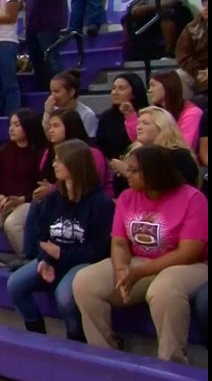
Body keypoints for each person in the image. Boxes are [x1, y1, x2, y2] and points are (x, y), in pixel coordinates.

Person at [72, 145, 208, 363]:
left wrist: (138, 272)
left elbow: (188, 253)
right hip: (139, 262)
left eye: (134, 170)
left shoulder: (193, 198)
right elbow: (118, 243)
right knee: (85, 281)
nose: (127, 174)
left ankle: (172, 362)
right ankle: (105, 354)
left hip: (188, 266)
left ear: (154, 172)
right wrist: (122, 270)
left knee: (164, 290)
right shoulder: (127, 197)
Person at [8, 139, 113, 339]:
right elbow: (43, 235)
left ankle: (75, 338)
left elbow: (99, 249)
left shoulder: (101, 203)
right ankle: (37, 336)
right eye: (54, 159)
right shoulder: (53, 198)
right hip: (54, 258)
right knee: (15, 285)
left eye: (59, 160)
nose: (54, 164)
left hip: (84, 264)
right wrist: (46, 259)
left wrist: (62, 254)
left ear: (75, 164)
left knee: (64, 296)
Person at [0, 109, 48, 256]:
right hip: (4, 201)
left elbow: (42, 186)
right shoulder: (3, 152)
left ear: (28, 126)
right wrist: (1, 198)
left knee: (12, 224)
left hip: (29, 201)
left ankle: (28, 258)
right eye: (10, 124)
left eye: (17, 125)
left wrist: (21, 200)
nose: (11, 129)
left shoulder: (42, 153)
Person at [95, 73, 149, 162]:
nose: (115, 92)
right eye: (113, 88)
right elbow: (100, 147)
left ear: (134, 92)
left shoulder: (147, 114)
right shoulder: (106, 116)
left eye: (121, 88)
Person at [149, 71, 203, 149]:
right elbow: (140, 139)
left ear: (168, 85)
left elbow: (184, 147)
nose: (149, 90)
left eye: (153, 85)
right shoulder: (155, 112)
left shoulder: (192, 113)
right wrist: (130, 115)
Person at [43, 69, 98, 138]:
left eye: (56, 91)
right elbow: (50, 139)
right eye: (51, 92)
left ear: (71, 92)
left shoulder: (87, 115)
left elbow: (89, 144)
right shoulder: (52, 111)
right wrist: (47, 113)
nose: (52, 96)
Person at [175, 0, 208, 99]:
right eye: (205, 6)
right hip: (198, 71)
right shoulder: (192, 27)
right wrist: (197, 72)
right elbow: (182, 54)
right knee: (179, 76)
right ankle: (188, 113)